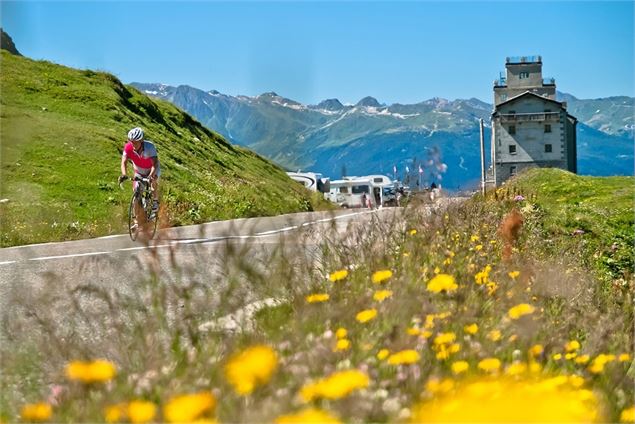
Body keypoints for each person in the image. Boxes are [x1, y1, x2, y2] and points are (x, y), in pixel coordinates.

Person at [118, 127, 161, 217]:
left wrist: (150, 176)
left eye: (135, 142)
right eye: (131, 141)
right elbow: (124, 162)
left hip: (152, 169)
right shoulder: (128, 147)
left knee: (153, 181)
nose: (133, 144)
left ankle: (155, 202)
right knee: (136, 193)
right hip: (139, 171)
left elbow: (155, 164)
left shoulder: (150, 147)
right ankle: (137, 221)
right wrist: (124, 174)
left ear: (141, 141)